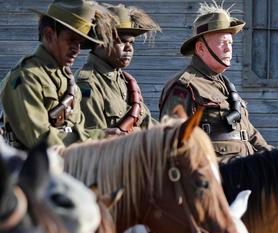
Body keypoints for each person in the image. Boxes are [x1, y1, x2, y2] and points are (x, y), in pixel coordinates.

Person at [159, 2, 271, 162]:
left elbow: (249, 134)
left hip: (245, 174)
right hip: (215, 179)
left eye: (230, 43)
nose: (228, 49)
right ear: (201, 48)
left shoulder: (226, 86)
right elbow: (172, 146)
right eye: (222, 43)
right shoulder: (185, 86)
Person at [1, 0, 116, 149]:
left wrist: (105, 136)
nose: (77, 49)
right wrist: (98, 138)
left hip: (66, 164)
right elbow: (41, 141)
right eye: (71, 40)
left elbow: (77, 131)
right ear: (49, 34)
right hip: (32, 168)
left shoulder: (67, 80)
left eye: (80, 43)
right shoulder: (26, 76)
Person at [77, 4, 160, 132]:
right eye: (121, 41)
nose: (129, 48)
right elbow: (97, 143)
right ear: (101, 43)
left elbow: (146, 122)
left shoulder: (125, 81)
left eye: (131, 42)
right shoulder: (87, 84)